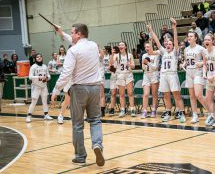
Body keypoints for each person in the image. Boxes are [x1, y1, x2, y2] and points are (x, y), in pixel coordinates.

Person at [51, 23, 105, 166]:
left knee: (77, 125)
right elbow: (76, 42)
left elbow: (66, 73)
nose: (72, 35)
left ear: (79, 34)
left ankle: (80, 156)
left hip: (78, 89)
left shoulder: (73, 51)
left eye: (72, 32)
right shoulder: (93, 46)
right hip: (95, 88)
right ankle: (97, 145)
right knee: (95, 120)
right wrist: (62, 33)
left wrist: (56, 90)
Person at [148, 18, 186, 123]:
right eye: (166, 43)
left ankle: (181, 113)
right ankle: (168, 112)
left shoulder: (175, 52)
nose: (168, 44)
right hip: (163, 75)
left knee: (176, 95)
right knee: (166, 95)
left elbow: (176, 40)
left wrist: (174, 28)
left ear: (173, 45)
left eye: (170, 43)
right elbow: (156, 40)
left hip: (172, 75)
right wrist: (151, 30)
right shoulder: (163, 52)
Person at [183, 32, 207, 123]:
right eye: (188, 36)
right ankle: (195, 115)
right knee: (192, 96)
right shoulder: (186, 49)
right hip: (189, 72)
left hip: (198, 72)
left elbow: (207, 60)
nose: (189, 37)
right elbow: (186, 60)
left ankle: (211, 112)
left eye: (191, 36)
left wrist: (201, 63)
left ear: (196, 38)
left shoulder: (201, 48)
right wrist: (184, 64)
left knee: (198, 95)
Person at [111, 41, 136, 117]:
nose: (120, 46)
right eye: (119, 45)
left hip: (128, 75)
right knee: (121, 94)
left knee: (130, 93)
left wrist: (130, 64)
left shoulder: (130, 55)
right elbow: (111, 64)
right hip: (120, 75)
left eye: (122, 45)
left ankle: (132, 109)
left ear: (125, 47)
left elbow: (133, 66)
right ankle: (122, 109)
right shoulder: (116, 55)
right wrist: (112, 54)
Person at [26, 53, 53, 123]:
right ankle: (29, 116)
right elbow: (30, 77)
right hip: (36, 86)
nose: (39, 58)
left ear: (42, 58)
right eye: (37, 57)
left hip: (44, 86)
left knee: (45, 101)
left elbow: (49, 75)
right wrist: (39, 77)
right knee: (34, 102)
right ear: (35, 59)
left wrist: (47, 78)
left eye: (40, 57)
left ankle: (46, 115)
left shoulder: (45, 66)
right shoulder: (33, 66)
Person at [140, 40, 160, 118]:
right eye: (145, 47)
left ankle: (154, 110)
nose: (147, 48)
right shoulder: (144, 55)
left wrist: (148, 63)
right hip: (146, 75)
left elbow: (155, 67)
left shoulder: (156, 54)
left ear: (152, 47)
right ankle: (144, 110)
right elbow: (143, 67)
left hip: (154, 75)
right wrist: (145, 65)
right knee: (146, 94)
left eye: (148, 46)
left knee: (154, 94)